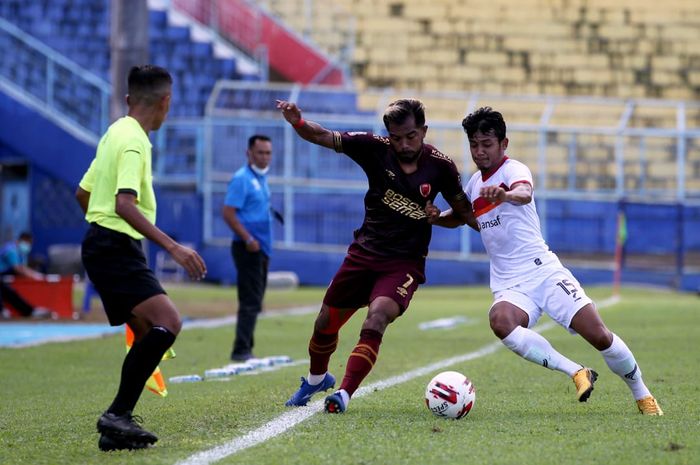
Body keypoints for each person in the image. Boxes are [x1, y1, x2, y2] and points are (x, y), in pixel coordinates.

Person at [426, 106, 663, 415]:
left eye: (487, 144)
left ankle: (642, 394)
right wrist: (435, 218)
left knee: (599, 335)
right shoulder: (473, 184)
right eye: (474, 144)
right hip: (509, 283)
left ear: (504, 144)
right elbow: (464, 218)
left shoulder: (514, 171)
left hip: (543, 273)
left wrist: (505, 195)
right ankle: (577, 372)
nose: (480, 151)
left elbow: (523, 193)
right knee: (501, 322)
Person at [276, 98, 473, 413]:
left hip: (403, 263)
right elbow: (323, 136)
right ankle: (316, 380)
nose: (404, 144)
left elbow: (463, 214)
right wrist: (298, 122)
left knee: (378, 316)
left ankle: (343, 393)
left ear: (423, 130)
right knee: (325, 324)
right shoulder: (374, 148)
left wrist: (441, 217)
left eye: (411, 136)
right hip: (364, 254)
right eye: (396, 137)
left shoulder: (441, 166)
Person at [75, 65, 207, 451]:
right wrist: (174, 247)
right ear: (166, 102)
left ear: (130, 99)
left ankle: (116, 426)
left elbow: (83, 193)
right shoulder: (135, 142)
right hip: (115, 246)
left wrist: (100, 225)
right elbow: (123, 203)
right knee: (169, 321)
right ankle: (117, 413)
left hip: (104, 244)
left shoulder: (115, 131)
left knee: (151, 331)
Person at [222, 134, 273, 362]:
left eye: (268, 153)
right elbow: (228, 213)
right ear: (249, 153)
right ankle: (241, 350)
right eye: (260, 152)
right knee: (250, 299)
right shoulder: (242, 178)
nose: (264, 157)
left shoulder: (261, 178)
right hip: (248, 247)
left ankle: (246, 347)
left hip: (261, 247)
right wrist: (248, 239)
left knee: (256, 299)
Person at [0, 232, 53, 318]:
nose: (28, 246)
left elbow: (23, 268)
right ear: (19, 241)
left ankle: (29, 311)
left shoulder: (21, 253)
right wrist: (36, 276)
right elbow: (18, 269)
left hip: (2, 277)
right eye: (27, 242)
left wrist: (36, 275)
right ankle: (1, 310)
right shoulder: (11, 250)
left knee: (9, 292)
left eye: (30, 243)